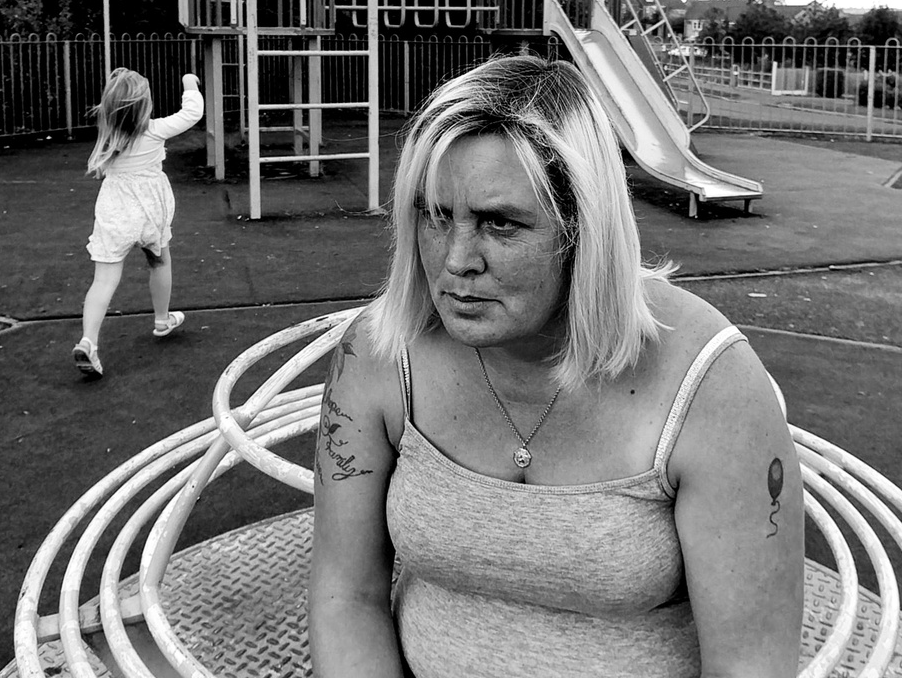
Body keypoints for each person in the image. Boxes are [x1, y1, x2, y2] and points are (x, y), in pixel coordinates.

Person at [308, 55, 804, 677]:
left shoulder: (708, 383)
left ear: (583, 230)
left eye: (500, 223)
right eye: (435, 215)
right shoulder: (382, 351)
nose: (456, 260)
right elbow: (344, 597)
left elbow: (751, 665)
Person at [72, 68, 204, 377]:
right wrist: (188, 81)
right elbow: (193, 111)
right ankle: (162, 319)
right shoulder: (156, 130)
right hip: (149, 211)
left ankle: (88, 341)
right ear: (144, 106)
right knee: (159, 260)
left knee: (103, 280)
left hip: (115, 210)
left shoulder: (108, 136)